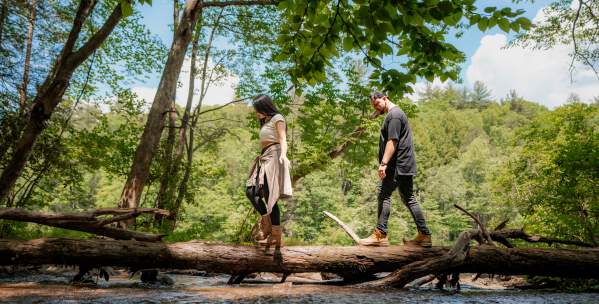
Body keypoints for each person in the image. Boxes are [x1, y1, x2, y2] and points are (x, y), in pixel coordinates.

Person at [359, 92, 432, 247]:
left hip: (397, 165)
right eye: (373, 105)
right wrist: (377, 112)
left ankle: (380, 235)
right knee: (408, 198)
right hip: (403, 164)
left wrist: (384, 163)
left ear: (385, 98)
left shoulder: (394, 116)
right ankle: (424, 235)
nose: (376, 107)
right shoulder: (394, 114)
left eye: (377, 103)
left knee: (384, 194)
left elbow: (393, 141)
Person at [245, 94, 292, 247]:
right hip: (265, 156)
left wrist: (284, 156)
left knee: (270, 195)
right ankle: (267, 226)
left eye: (257, 109)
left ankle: (275, 236)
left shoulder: (277, 118)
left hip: (274, 156)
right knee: (251, 191)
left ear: (265, 107)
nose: (256, 112)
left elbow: (283, 138)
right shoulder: (265, 122)